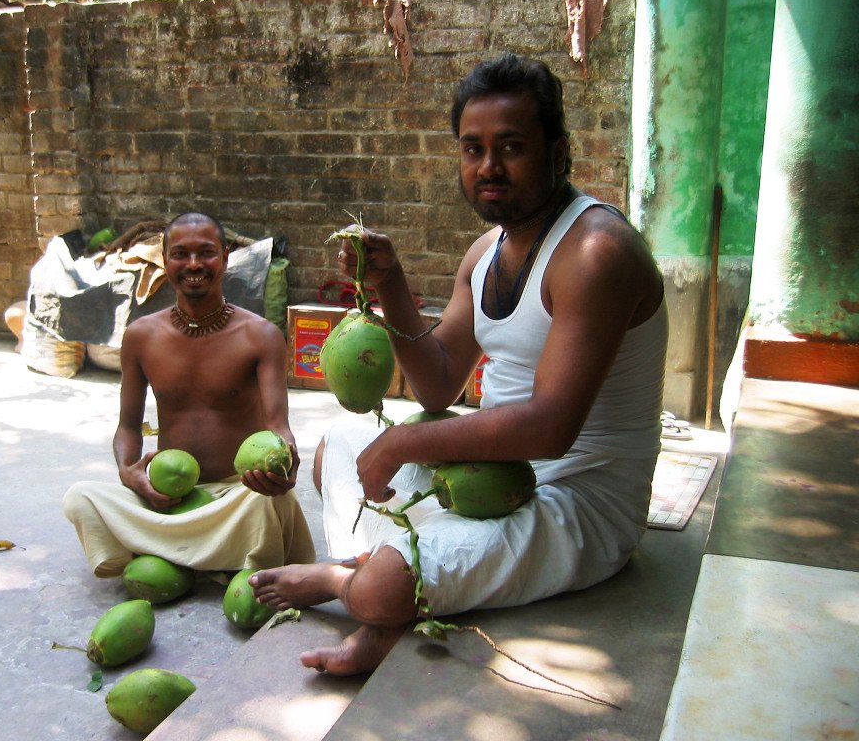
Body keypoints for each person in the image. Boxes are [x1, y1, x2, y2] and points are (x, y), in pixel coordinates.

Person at [249, 54, 667, 675]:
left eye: (511, 147)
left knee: (384, 581)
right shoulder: (486, 251)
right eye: (473, 149)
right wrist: (391, 286)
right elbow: (440, 383)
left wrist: (403, 449)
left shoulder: (595, 252)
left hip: (575, 501)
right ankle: (390, 583)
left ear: (559, 153)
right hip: (486, 477)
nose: (489, 167)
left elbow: (551, 428)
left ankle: (350, 587)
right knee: (336, 445)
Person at [63, 212, 315, 578]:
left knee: (272, 505)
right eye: (180, 253)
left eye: (206, 253)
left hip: (237, 493)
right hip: (169, 495)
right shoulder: (141, 335)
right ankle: (210, 557)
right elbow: (128, 428)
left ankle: (168, 552)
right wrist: (128, 473)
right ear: (164, 260)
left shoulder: (260, 335)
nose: (194, 264)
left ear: (226, 257)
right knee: (80, 497)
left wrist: (286, 465)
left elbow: (279, 428)